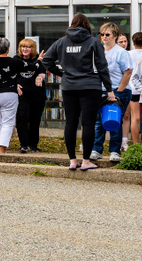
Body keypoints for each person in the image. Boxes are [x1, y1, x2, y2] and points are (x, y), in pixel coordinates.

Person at [42, 13, 112, 171]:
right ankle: (86, 161)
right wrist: (109, 89)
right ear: (87, 26)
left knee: (71, 123)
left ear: (72, 25)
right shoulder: (93, 42)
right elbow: (102, 67)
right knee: (88, 124)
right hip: (90, 87)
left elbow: (46, 60)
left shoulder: (61, 42)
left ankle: (72, 160)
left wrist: (62, 74)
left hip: (69, 87)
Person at [91, 23, 133, 162]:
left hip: (117, 90)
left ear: (115, 36)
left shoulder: (121, 52)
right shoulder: (98, 50)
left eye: (107, 34)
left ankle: (114, 151)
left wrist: (119, 91)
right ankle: (97, 149)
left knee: (114, 121)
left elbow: (128, 72)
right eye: (101, 34)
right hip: (101, 90)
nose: (104, 37)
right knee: (98, 121)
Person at [14, 38, 47, 153]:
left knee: (34, 120)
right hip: (22, 94)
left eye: (28, 47)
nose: (25, 49)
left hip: (37, 94)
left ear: (32, 49)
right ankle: (23, 145)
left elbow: (42, 72)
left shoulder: (37, 59)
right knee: (22, 118)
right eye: (23, 46)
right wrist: (16, 84)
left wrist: (40, 77)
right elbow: (11, 74)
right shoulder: (16, 59)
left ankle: (33, 145)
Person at [125, 32, 142, 151]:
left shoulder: (127, 54)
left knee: (135, 117)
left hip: (132, 88)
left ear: (133, 43)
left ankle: (135, 143)